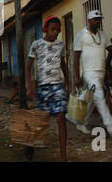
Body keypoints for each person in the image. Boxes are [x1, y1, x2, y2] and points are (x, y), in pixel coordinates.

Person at [74, 10, 112, 137]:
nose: (98, 22)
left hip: (101, 72)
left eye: (99, 19)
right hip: (89, 72)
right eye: (95, 19)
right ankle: (111, 126)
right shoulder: (80, 35)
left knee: (92, 99)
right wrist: (77, 77)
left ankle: (80, 122)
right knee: (99, 95)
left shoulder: (103, 35)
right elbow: (76, 57)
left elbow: (111, 49)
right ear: (89, 20)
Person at [26, 16, 69, 162]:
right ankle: (30, 145)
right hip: (43, 87)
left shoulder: (61, 45)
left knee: (61, 118)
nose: (56, 32)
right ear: (46, 29)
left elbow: (63, 64)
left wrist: (67, 83)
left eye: (58, 29)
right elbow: (29, 67)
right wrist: (29, 87)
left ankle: (63, 157)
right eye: (53, 29)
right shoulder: (36, 45)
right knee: (41, 123)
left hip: (58, 86)